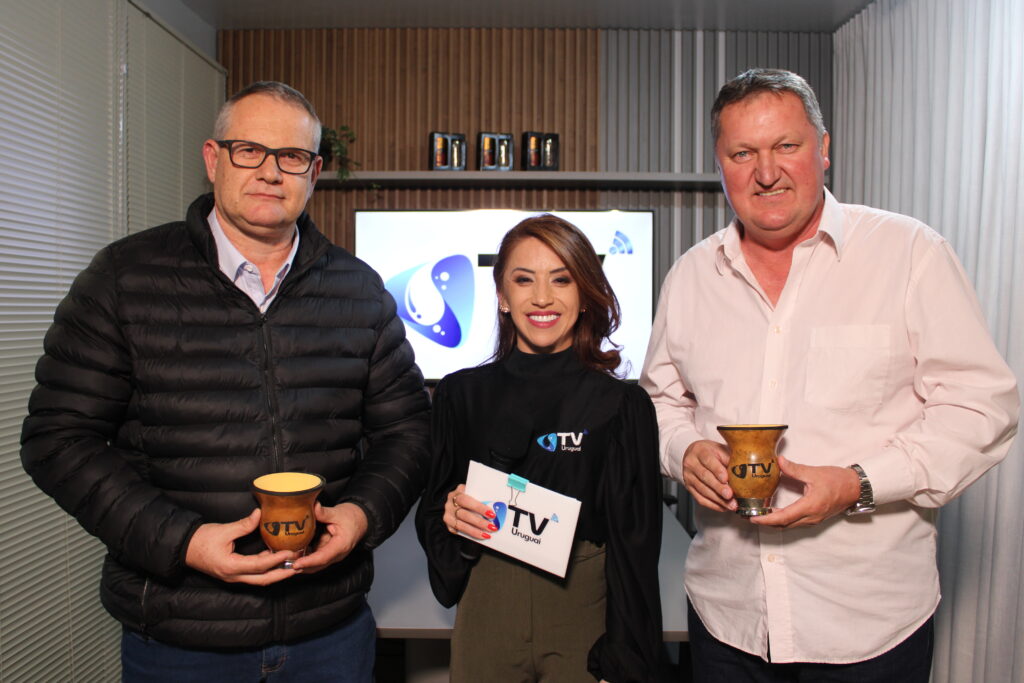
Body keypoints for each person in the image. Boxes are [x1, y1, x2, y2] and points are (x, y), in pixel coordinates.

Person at [20, 81, 431, 681]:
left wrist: (362, 515)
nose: (270, 171)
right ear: (214, 159)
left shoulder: (359, 289)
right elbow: (57, 439)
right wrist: (183, 542)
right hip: (180, 639)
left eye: (291, 156)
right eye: (249, 150)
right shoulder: (124, 279)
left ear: (314, 172)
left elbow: (409, 431)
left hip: (329, 633)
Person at [640, 68, 1019, 682]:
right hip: (727, 619)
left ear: (823, 148)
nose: (767, 172)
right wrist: (683, 451)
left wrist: (859, 483)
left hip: (868, 627)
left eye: (786, 146)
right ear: (719, 164)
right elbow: (658, 403)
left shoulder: (910, 254)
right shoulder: (690, 276)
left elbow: (982, 409)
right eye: (743, 154)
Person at [415, 214, 670, 683]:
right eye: (523, 279)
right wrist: (453, 518)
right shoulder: (459, 395)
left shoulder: (621, 406)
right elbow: (433, 511)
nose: (542, 298)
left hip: (583, 608)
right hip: (486, 604)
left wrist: (626, 658)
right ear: (501, 295)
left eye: (561, 279)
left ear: (584, 294)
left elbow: (635, 549)